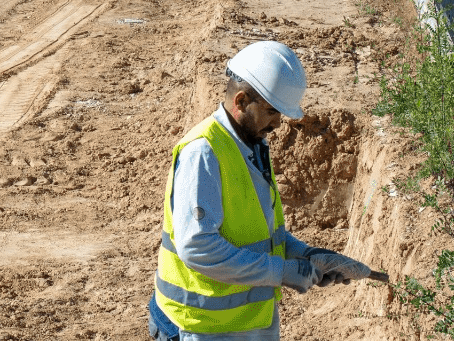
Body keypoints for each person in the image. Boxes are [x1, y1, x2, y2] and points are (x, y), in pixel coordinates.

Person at [149, 41, 372, 341]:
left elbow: (258, 234)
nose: (278, 123)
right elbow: (198, 247)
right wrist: (283, 272)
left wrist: (308, 255)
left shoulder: (250, 146)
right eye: (271, 111)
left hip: (237, 327)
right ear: (240, 101)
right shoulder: (203, 153)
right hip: (196, 327)